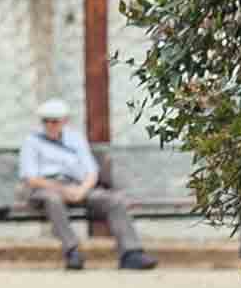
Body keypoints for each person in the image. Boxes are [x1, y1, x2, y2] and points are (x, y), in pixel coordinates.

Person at [19, 101, 154, 272]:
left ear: (64, 121)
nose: (50, 125)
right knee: (53, 200)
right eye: (46, 121)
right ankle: (72, 251)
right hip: (46, 188)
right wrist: (63, 190)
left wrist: (81, 190)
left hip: (77, 187)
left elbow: (91, 171)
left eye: (55, 121)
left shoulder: (75, 139)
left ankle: (131, 253)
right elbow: (31, 178)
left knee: (114, 200)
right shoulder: (32, 142)